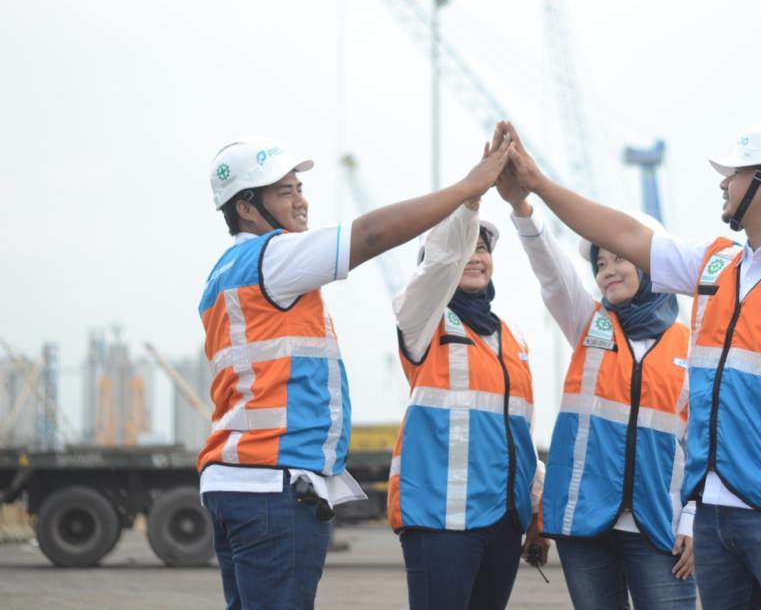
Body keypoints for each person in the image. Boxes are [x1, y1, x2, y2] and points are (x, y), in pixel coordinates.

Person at [502, 119, 761, 609]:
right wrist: (538, 186)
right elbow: (625, 233)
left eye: (735, 174)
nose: (724, 184)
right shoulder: (715, 264)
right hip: (715, 514)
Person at [198, 129, 512, 610]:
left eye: (299, 188)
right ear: (246, 207)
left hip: (234, 479)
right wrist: (467, 189)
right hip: (271, 484)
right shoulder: (273, 256)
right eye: (284, 192)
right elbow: (369, 235)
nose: (301, 202)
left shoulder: (221, 274)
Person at [498, 155, 698, 610]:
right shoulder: (587, 323)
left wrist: (693, 520)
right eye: (600, 263)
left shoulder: (693, 346)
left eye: (619, 257)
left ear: (652, 264)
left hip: (659, 528)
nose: (607, 269)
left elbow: (704, 445)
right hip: (585, 526)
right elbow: (553, 274)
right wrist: (523, 209)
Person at [386, 137, 548, 609]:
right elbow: (441, 259)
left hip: (502, 520)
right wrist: (472, 198)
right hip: (440, 519)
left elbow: (519, 433)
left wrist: (536, 513)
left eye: (482, 248)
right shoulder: (422, 319)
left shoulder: (511, 338)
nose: (475, 257)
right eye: (465, 248)